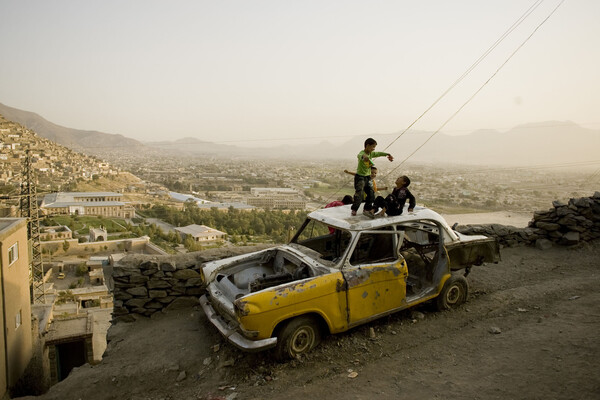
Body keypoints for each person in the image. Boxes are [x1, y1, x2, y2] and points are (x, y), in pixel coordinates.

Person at [350, 138, 393, 217]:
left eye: (374, 147)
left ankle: (367, 209)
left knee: (371, 193)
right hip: (360, 177)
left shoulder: (371, 154)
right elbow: (360, 156)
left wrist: (387, 154)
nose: (373, 149)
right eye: (372, 147)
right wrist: (365, 157)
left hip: (367, 177)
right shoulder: (362, 153)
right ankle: (354, 209)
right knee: (359, 193)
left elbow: (378, 153)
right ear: (367, 145)